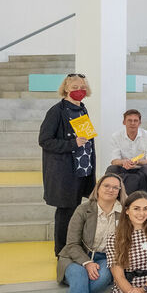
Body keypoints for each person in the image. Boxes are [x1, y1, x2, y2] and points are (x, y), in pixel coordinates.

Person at [36, 173, 123, 293]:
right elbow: (72, 244)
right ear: (98, 188)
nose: (111, 190)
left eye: (115, 187)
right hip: (76, 256)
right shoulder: (83, 210)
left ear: (120, 191)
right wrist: (87, 263)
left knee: (104, 278)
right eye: (107, 185)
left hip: (106, 257)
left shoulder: (124, 213)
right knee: (79, 276)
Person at [40, 74, 97, 253]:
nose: (79, 90)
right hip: (65, 171)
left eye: (82, 87)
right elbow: (45, 140)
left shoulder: (82, 109)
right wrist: (72, 144)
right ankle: (62, 251)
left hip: (83, 169)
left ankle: (75, 247)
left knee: (79, 211)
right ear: (66, 89)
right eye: (74, 87)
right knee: (65, 212)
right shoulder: (56, 111)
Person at [106, 109, 147, 195]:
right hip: (124, 166)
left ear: (139, 123)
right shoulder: (116, 136)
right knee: (111, 169)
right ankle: (112, 197)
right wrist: (123, 162)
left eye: (135, 121)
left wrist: (138, 162)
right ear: (124, 122)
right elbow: (114, 160)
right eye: (129, 120)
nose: (132, 123)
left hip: (141, 165)